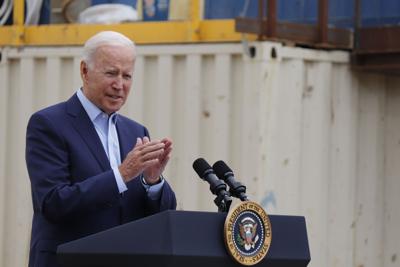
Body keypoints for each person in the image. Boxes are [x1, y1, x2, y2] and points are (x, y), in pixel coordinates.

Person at [25, 31, 176, 267]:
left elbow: (161, 217)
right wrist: (122, 174)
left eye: (127, 76)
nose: (119, 85)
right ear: (84, 71)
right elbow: (54, 203)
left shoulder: (136, 131)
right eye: (111, 73)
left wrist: (152, 182)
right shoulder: (48, 123)